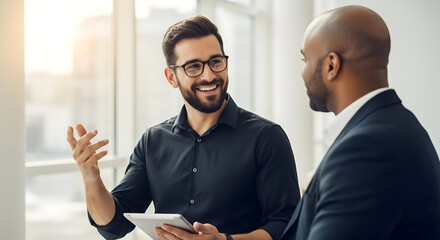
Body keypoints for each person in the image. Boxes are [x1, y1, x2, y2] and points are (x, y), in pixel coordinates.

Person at [67, 16, 300, 240]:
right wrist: (91, 178)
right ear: (171, 77)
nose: (209, 75)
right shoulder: (153, 141)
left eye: (216, 62)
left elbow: (286, 226)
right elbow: (114, 226)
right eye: (193, 66)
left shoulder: (267, 137)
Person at [281, 5, 440, 240]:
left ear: (331, 65)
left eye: (305, 59)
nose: (303, 72)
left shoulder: (367, 148)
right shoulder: (399, 125)